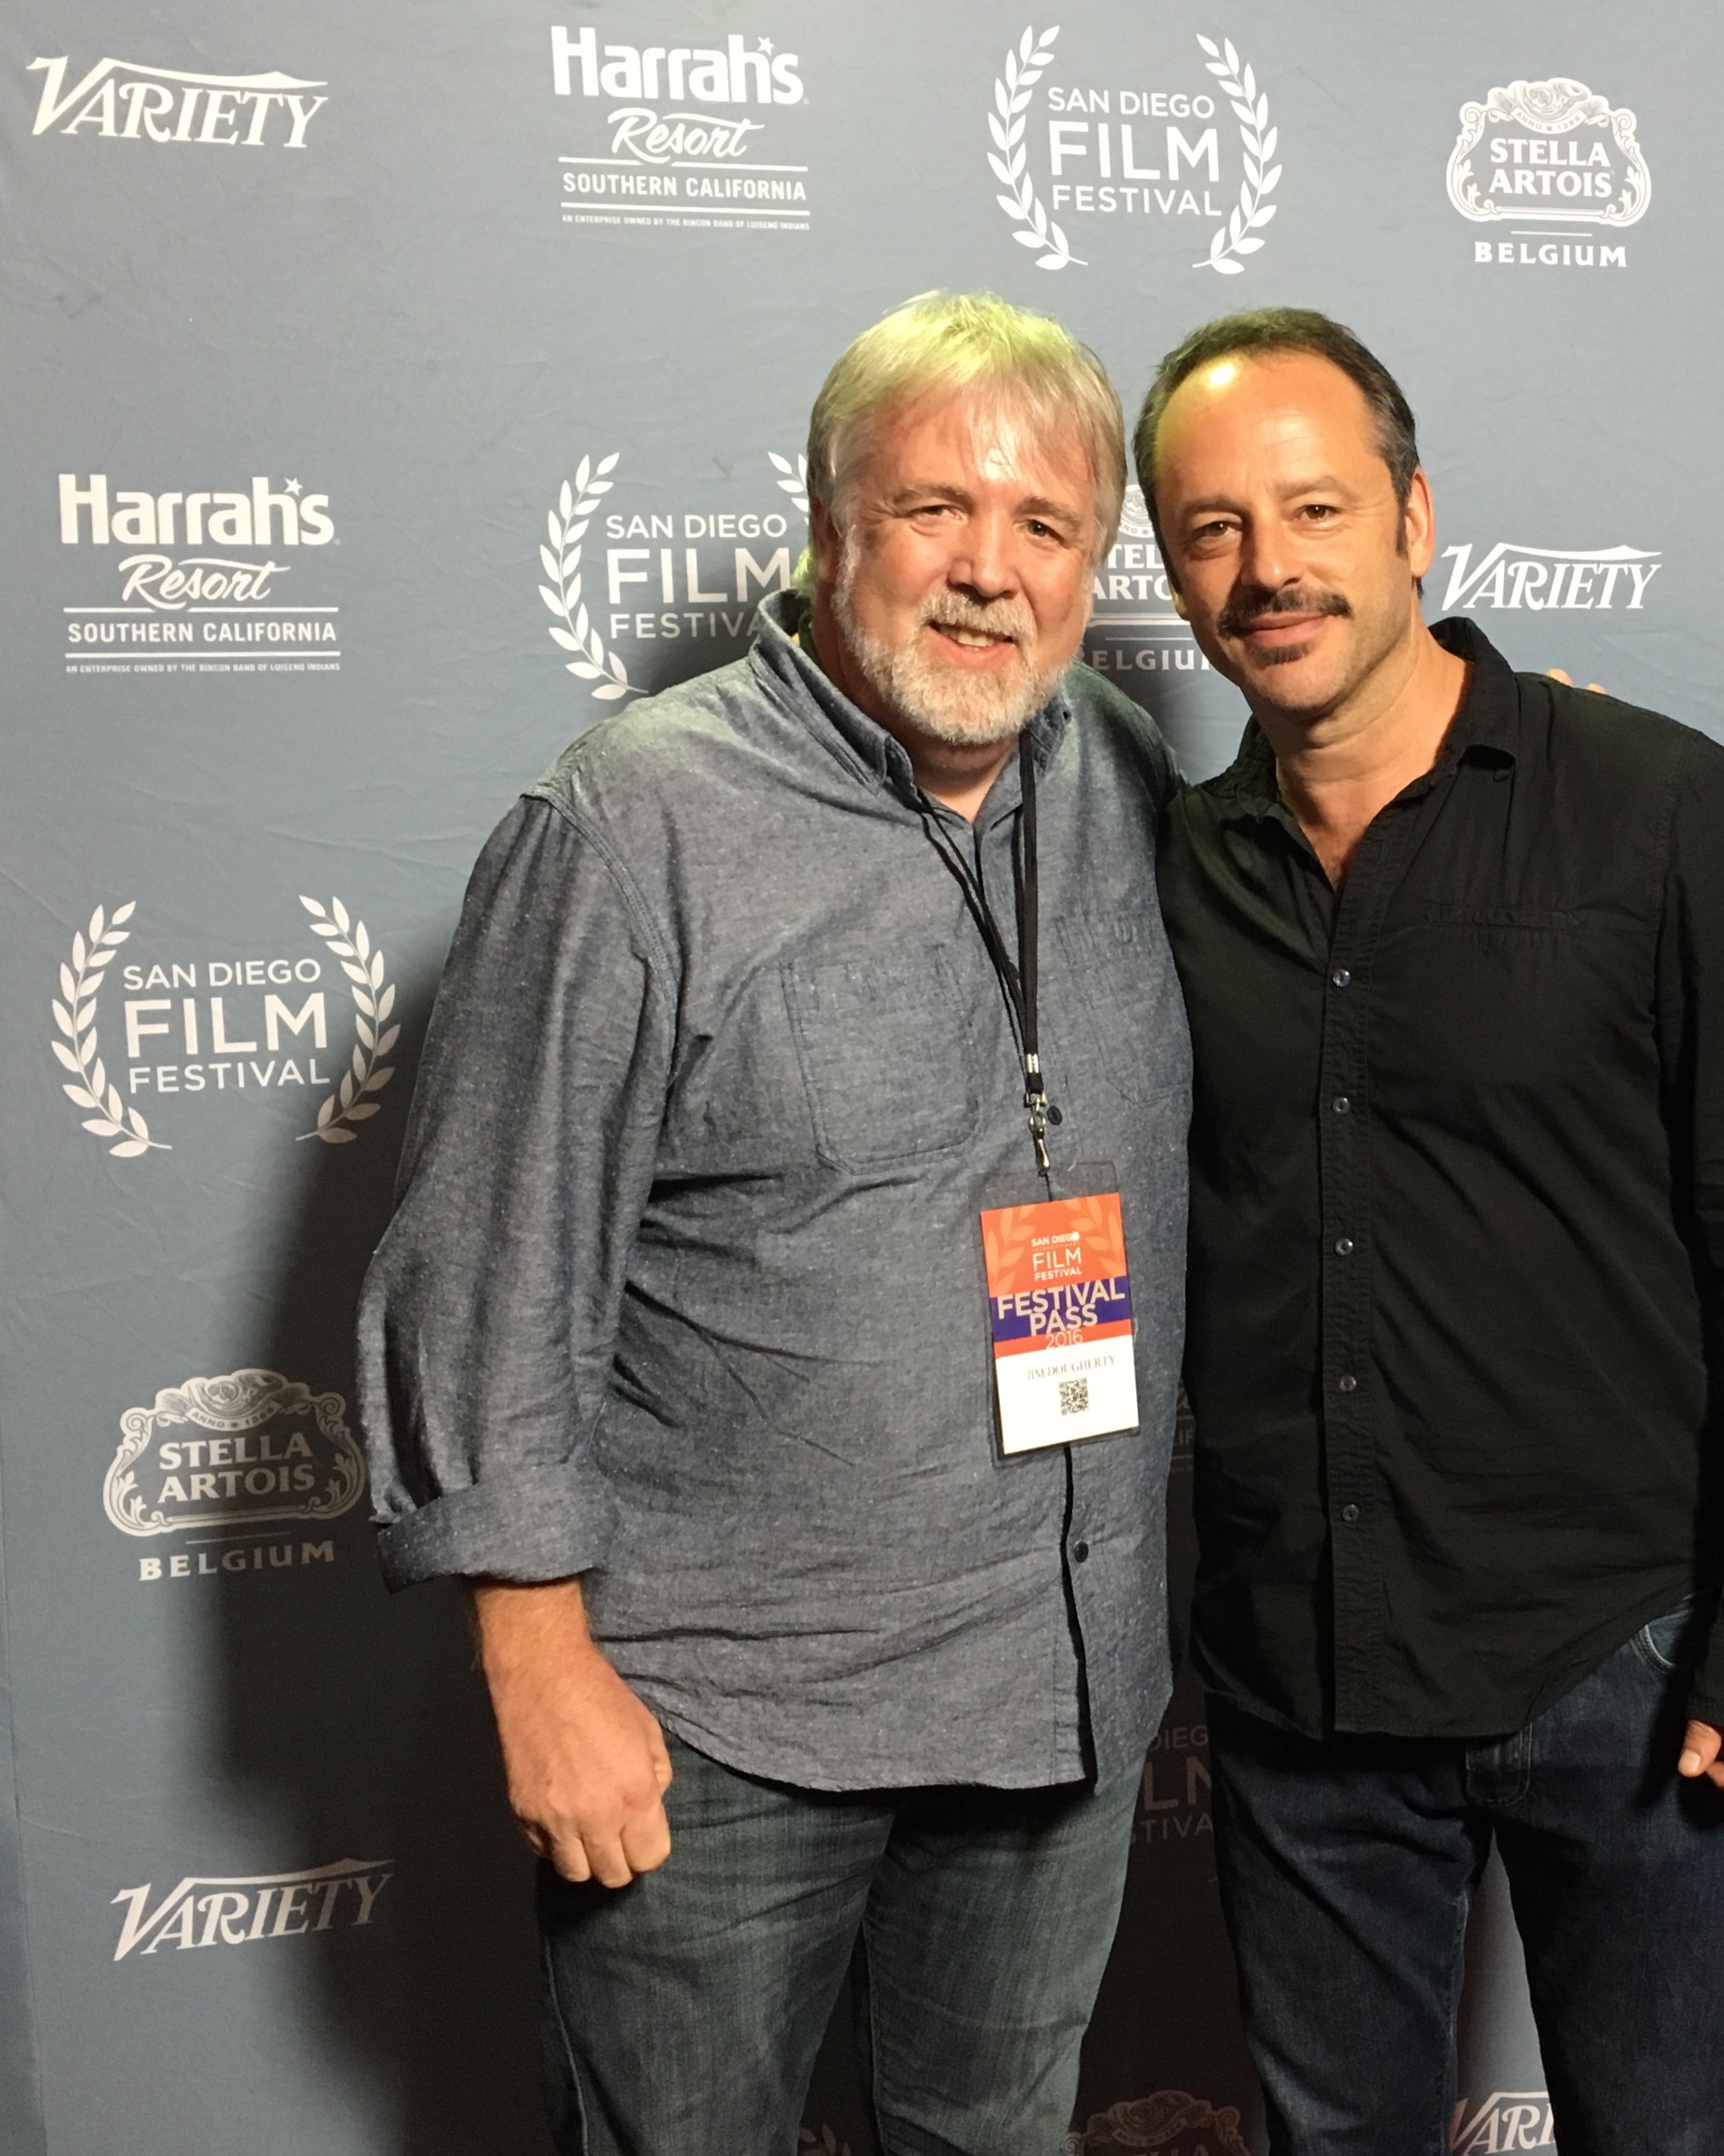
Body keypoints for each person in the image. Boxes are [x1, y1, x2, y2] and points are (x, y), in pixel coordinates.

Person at [356, 291, 1190, 2155]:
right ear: (830, 530)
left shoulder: (1121, 775)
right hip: (725, 1725)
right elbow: (495, 1262)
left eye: (1045, 527)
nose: (989, 573)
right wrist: (535, 1662)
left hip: (1056, 1691)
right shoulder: (632, 820)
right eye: (932, 511)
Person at [1138, 309, 1724, 2156]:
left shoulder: (1657, 808)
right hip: (1298, 1687)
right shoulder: (1160, 868)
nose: (1268, 567)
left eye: (1314, 508)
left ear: (1414, 517)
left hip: (1622, 1665)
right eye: (1214, 528)